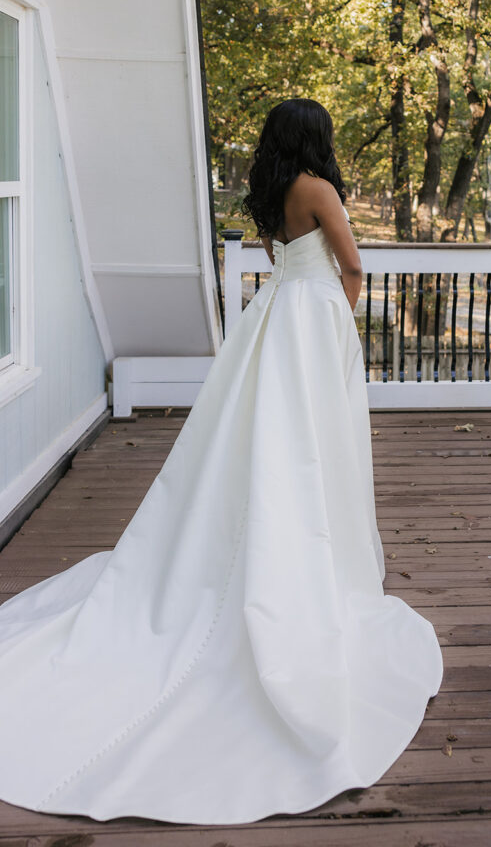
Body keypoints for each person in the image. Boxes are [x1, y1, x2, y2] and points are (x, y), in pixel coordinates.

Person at [0, 98, 443, 824]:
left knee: (257, 433)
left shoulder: (270, 193)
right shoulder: (319, 188)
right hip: (311, 317)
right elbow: (352, 265)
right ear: (315, 138)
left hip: (273, 318)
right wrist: (342, 318)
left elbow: (285, 259)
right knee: (310, 439)